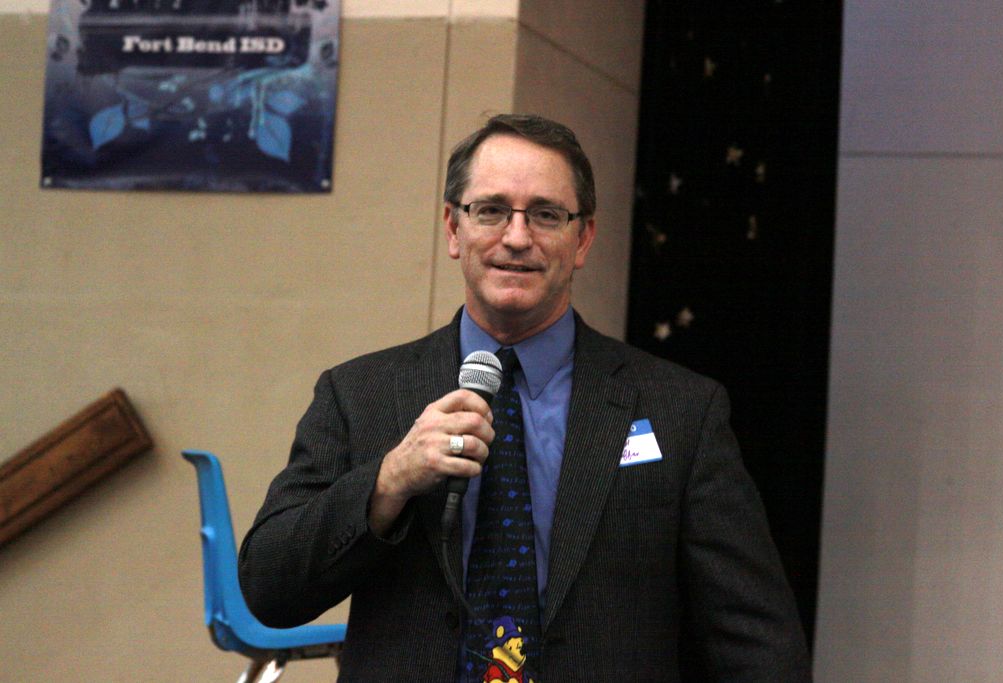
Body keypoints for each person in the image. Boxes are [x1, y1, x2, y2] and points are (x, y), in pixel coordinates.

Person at [238, 114, 811, 681]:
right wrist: (389, 481)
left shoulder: (680, 410)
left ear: (583, 238)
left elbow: (755, 639)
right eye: (490, 210)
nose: (516, 238)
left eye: (545, 214)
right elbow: (267, 589)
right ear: (453, 229)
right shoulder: (360, 394)